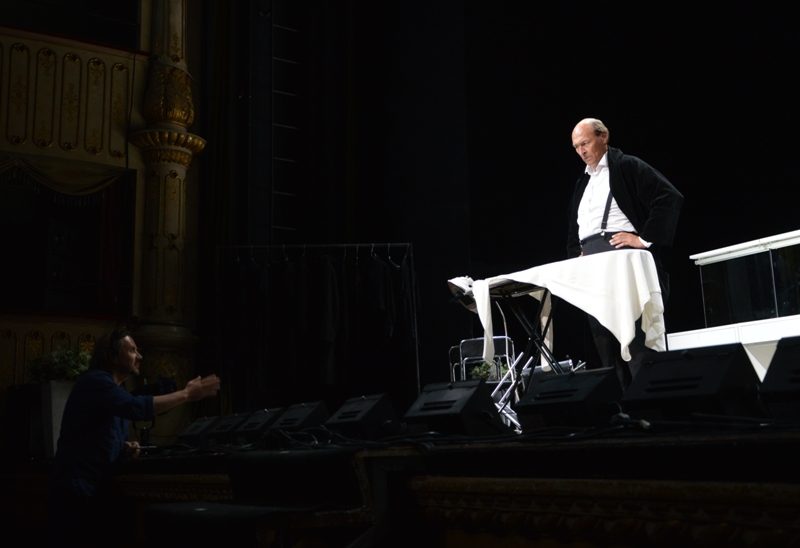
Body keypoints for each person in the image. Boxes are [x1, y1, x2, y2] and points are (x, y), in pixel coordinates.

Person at [48, 328, 221, 547]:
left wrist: (122, 447)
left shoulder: (113, 389)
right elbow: (136, 407)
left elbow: (97, 434)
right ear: (111, 356)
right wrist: (187, 394)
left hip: (91, 490)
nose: (139, 356)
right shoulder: (96, 382)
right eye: (132, 350)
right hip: (76, 492)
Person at [566, 117, 683, 388]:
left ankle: (653, 412)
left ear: (603, 137)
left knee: (637, 344)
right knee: (606, 348)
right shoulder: (582, 183)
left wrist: (644, 239)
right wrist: (578, 258)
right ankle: (623, 418)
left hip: (624, 264)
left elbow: (669, 196)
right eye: (575, 147)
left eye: (585, 143)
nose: (581, 151)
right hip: (594, 270)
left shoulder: (626, 166)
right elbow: (575, 230)